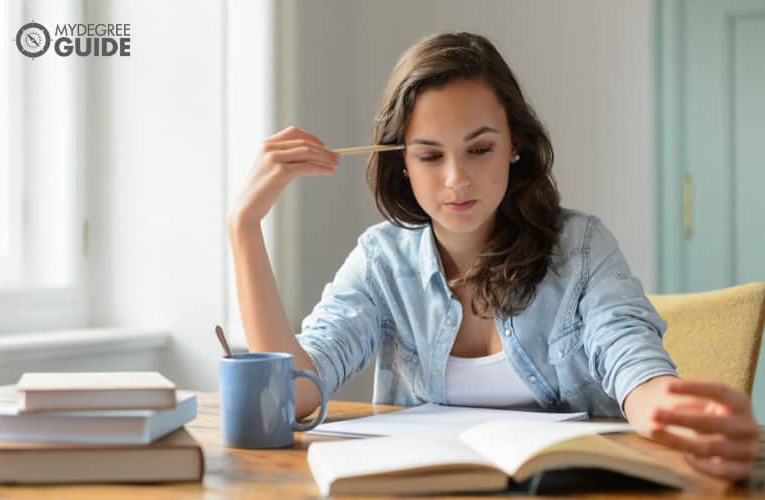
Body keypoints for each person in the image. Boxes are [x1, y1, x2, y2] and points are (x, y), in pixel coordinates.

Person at [227, 32, 759, 481]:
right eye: (430, 156)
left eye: (479, 148)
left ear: (515, 145)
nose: (456, 180)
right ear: (402, 165)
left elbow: (632, 361)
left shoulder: (582, 248)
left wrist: (665, 404)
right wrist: (244, 228)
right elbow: (290, 397)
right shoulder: (381, 261)